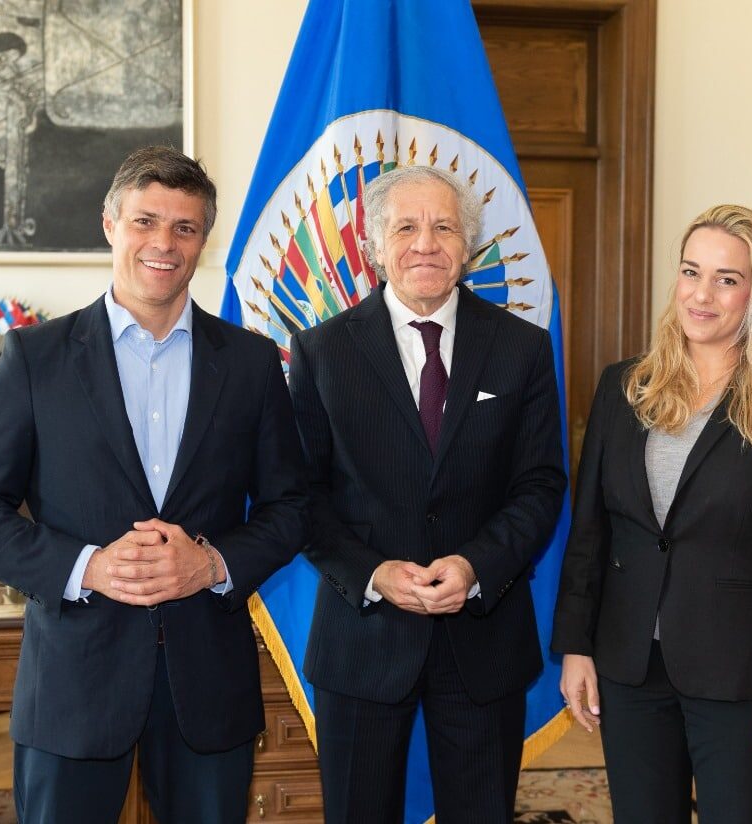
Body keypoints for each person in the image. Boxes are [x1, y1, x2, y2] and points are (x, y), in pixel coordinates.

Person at [0, 146, 307, 824]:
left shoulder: (253, 363)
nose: (163, 243)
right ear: (110, 225)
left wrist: (213, 563)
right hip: (74, 682)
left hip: (208, 681)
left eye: (185, 228)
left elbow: (292, 509)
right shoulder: (35, 359)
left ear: (204, 240)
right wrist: (91, 567)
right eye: (145, 221)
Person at [287, 164, 567, 822]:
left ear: (468, 245)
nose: (425, 244)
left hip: (482, 637)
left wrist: (475, 565)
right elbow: (300, 496)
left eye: (444, 227)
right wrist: (373, 572)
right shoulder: (321, 352)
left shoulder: (522, 348)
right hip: (362, 639)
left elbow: (539, 484)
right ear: (373, 246)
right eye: (405, 227)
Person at [553, 204, 752, 823]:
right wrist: (577, 644)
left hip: (743, 672)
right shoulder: (623, 387)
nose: (702, 295)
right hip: (630, 666)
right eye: (691, 272)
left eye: (727, 279)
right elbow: (591, 530)